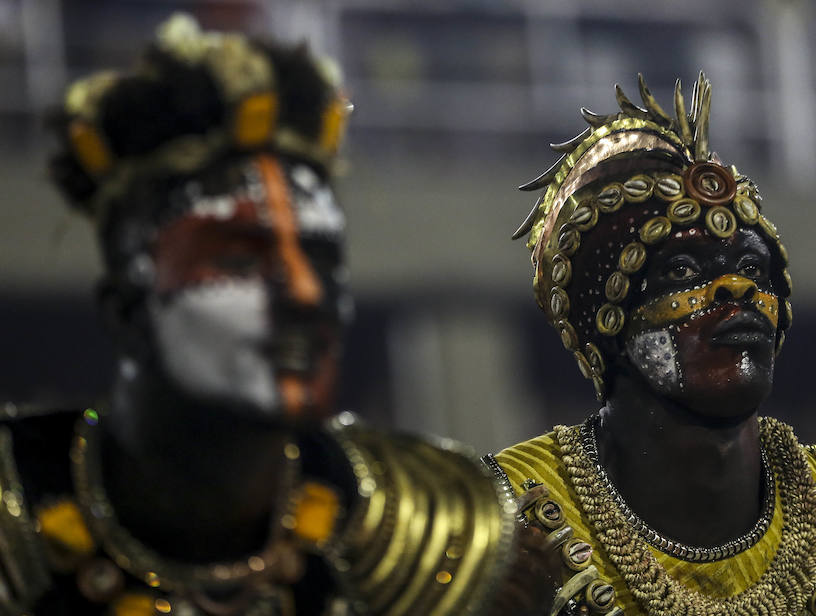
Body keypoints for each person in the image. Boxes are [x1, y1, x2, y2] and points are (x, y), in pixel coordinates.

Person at [1, 15, 549, 616]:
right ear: (128, 309)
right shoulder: (17, 514)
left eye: (322, 258)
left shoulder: (435, 540)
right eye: (238, 258)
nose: (305, 293)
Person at [483, 73, 816, 616]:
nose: (739, 289)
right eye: (683, 270)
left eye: (753, 268)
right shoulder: (516, 518)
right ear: (611, 328)